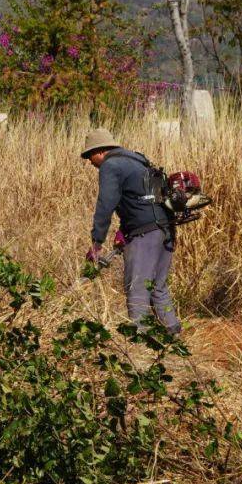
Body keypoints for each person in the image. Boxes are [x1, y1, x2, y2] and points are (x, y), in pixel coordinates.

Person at [81, 128, 181, 335]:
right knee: (158, 286)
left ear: (99, 151)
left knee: (137, 287)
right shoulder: (138, 160)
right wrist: (124, 230)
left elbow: (105, 204)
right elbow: (138, 201)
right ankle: (174, 335)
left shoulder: (110, 165)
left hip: (145, 234)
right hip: (166, 228)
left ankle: (140, 342)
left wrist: (96, 242)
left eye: (89, 156)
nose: (90, 162)